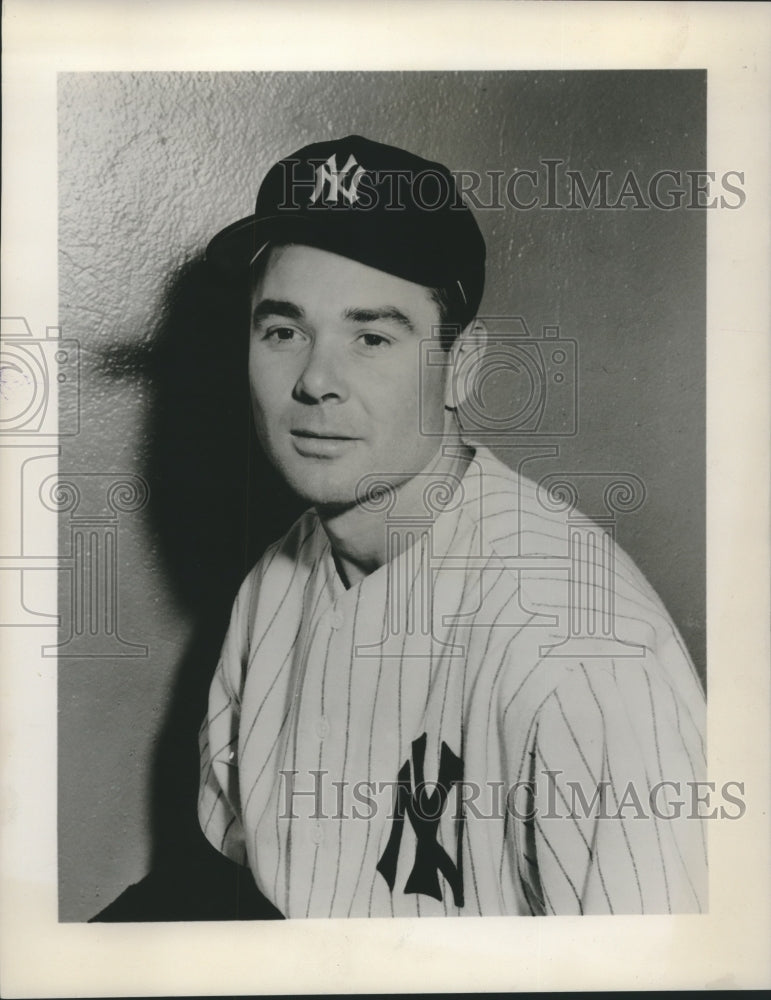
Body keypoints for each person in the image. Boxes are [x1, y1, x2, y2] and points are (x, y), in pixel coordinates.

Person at [198, 135, 707, 918]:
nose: (315, 381)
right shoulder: (276, 578)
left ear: (461, 365)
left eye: (371, 336)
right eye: (283, 331)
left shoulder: (585, 654)